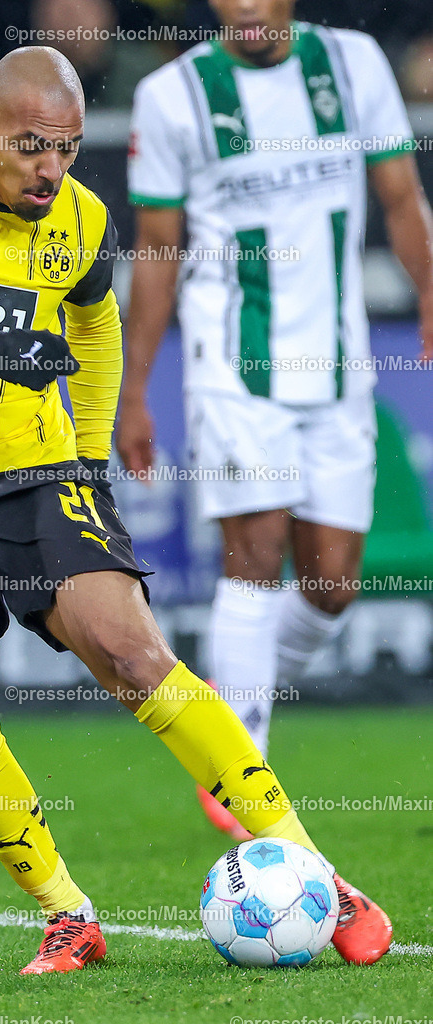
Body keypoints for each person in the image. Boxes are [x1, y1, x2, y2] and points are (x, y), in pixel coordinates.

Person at [0, 45, 391, 975]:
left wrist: (88, 454)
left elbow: (93, 324)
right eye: (33, 147)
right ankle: (67, 915)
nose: (51, 170)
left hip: (38, 473)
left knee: (131, 652)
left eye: (71, 150)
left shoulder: (80, 219)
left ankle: (324, 878)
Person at [118, 0, 433, 839]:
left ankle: (237, 702)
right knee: (251, 559)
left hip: (338, 366)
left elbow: (400, 195)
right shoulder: (172, 94)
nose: (246, 7)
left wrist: (431, 290)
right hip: (233, 371)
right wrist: (133, 387)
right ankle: (240, 764)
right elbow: (157, 249)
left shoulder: (352, 63)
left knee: (330, 585)